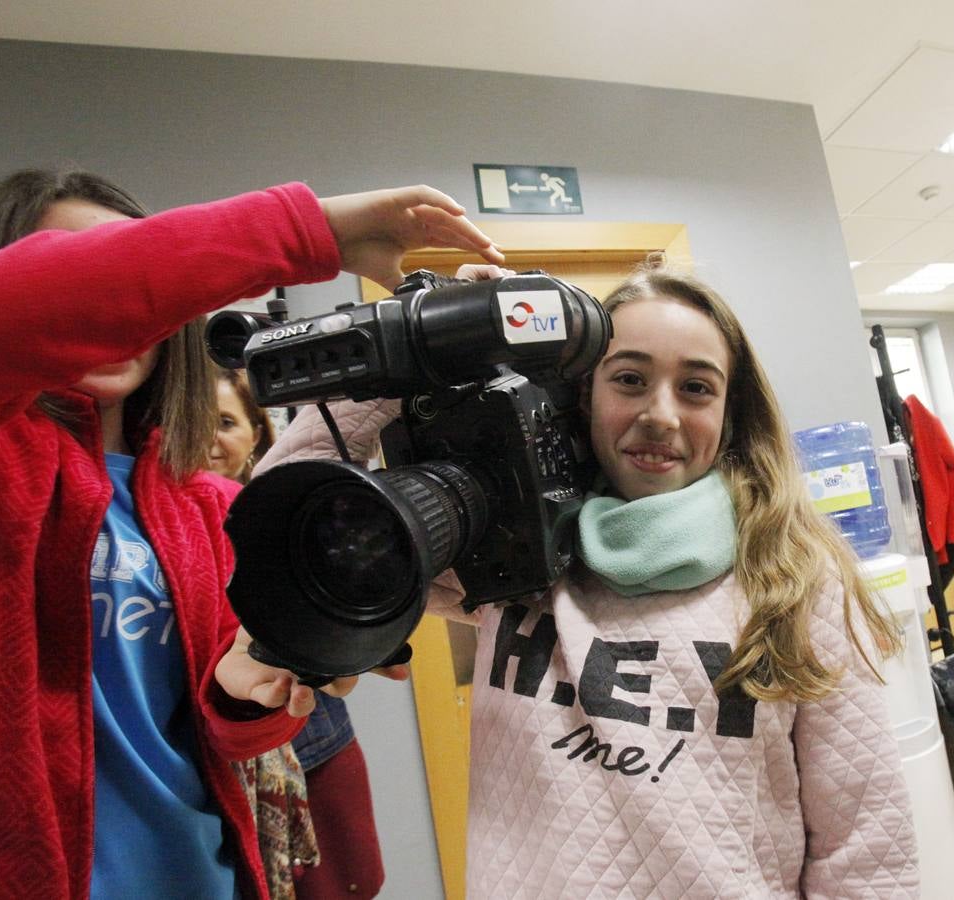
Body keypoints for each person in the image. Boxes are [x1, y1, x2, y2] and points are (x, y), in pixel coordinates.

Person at [262, 268, 920, 897]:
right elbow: (284, 513)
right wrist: (420, 336)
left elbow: (865, 845)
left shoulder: (794, 574)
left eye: (696, 388)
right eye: (630, 379)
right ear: (584, 393)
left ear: (729, 412)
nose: (660, 414)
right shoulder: (511, 552)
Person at [0, 167, 502, 898]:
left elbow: (228, 733)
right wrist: (307, 230)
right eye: (93, 281)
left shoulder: (208, 505)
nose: (119, 313)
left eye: (133, 278)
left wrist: (258, 687)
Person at [208, 367, 388, 899]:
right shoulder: (162, 525)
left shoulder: (297, 516)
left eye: (224, 421)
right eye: (194, 421)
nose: (209, 438)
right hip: (217, 759)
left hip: (317, 743)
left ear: (256, 434)